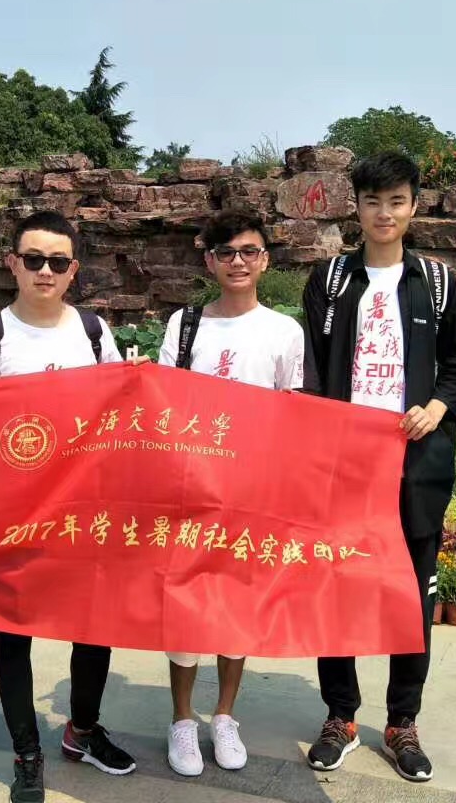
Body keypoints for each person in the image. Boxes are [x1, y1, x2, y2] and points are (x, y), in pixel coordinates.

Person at [0, 210, 137, 803]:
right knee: (13, 631)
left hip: (83, 509)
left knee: (93, 625)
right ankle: (26, 752)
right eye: (33, 260)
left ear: (73, 269)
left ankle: (82, 729)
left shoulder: (94, 334)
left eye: (57, 262)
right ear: (13, 264)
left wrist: (137, 381)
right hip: (15, 514)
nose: (44, 271)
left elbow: (120, 413)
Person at [300, 150, 456, 783]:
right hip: (342, 465)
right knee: (335, 588)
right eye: (372, 201)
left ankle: (403, 722)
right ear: (357, 207)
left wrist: (437, 407)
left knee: (411, 593)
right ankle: (340, 716)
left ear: (413, 206)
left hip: (415, 463)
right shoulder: (330, 280)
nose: (384, 213)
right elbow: (310, 366)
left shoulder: (436, 281)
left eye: (396, 201)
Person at [156, 209, 305, 777]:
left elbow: (294, 411)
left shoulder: (283, 331)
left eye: (248, 251)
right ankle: (182, 719)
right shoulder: (185, 324)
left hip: (251, 491)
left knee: (237, 605)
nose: (237, 262)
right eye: (226, 252)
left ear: (264, 260)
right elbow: (164, 401)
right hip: (191, 487)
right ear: (209, 260)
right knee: (186, 605)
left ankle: (224, 715)